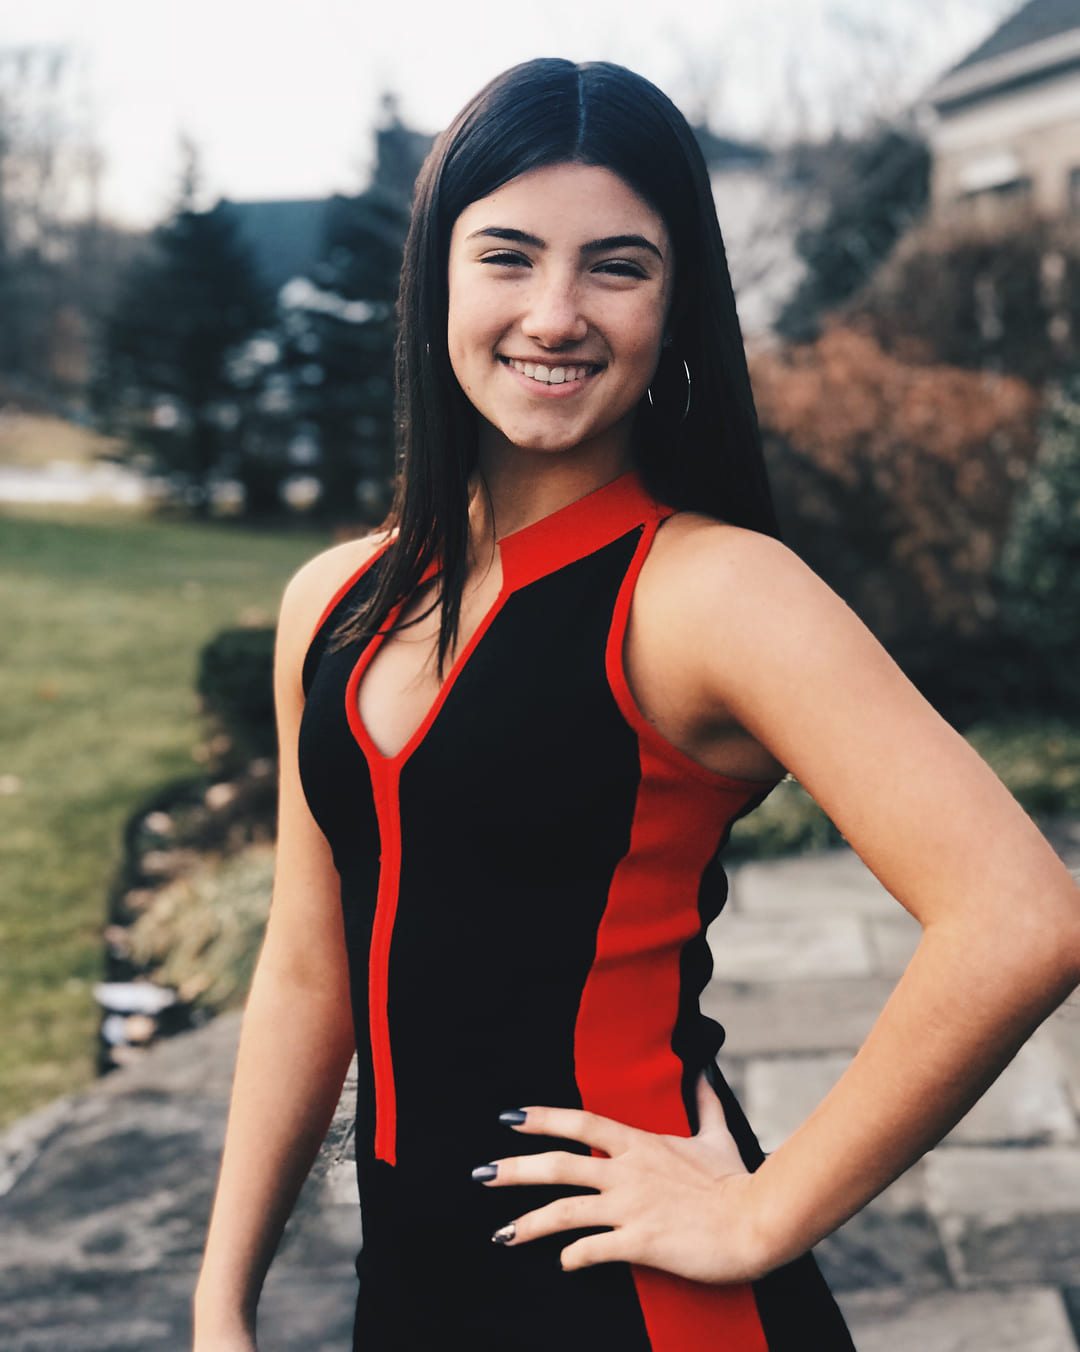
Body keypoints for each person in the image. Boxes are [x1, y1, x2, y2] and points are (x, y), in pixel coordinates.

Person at [192, 58, 1080, 1352]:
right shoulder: (329, 603)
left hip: (646, 1304)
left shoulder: (712, 594)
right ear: (435, 276)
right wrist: (221, 1301)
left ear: (677, 303)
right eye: (507, 257)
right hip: (410, 1292)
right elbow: (305, 969)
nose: (556, 314)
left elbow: (1021, 919)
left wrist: (760, 1215)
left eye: (617, 267)